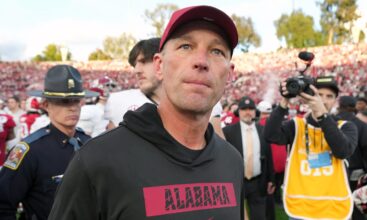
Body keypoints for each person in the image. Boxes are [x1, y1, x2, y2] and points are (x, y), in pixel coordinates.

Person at [49, 5, 243, 219]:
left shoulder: (231, 160)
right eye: (186, 46)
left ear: (229, 74)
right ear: (159, 66)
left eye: (217, 51)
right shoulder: (98, 160)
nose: (201, 61)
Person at [0, 65, 96, 220]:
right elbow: (3, 205)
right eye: (64, 101)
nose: (72, 107)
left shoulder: (89, 145)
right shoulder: (29, 151)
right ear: (45, 105)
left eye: (76, 100)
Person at [264, 75, 358, 219]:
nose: (324, 100)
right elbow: (270, 135)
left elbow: (342, 151)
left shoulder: (345, 126)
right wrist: (285, 100)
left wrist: (322, 117)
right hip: (300, 206)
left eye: (329, 96)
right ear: (309, 96)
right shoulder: (297, 125)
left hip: (332, 208)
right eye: (319, 95)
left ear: (335, 101)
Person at [105, 37, 226, 138]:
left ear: (161, 62)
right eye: (134, 65)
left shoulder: (201, 101)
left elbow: (219, 155)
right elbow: (107, 154)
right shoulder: (120, 101)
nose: (137, 70)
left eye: (143, 61)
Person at [223, 96, 275, 220]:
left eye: (251, 109)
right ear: (238, 112)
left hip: (258, 182)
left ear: (255, 111)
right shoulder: (228, 132)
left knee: (259, 217)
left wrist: (271, 179)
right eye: (244, 109)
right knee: (236, 215)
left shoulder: (263, 130)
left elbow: (268, 156)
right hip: (237, 181)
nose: (247, 112)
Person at [336, 95, 367, 220]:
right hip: (354, 178)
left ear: (339, 107)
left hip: (332, 175)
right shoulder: (361, 126)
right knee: (354, 209)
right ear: (354, 108)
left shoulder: (330, 123)